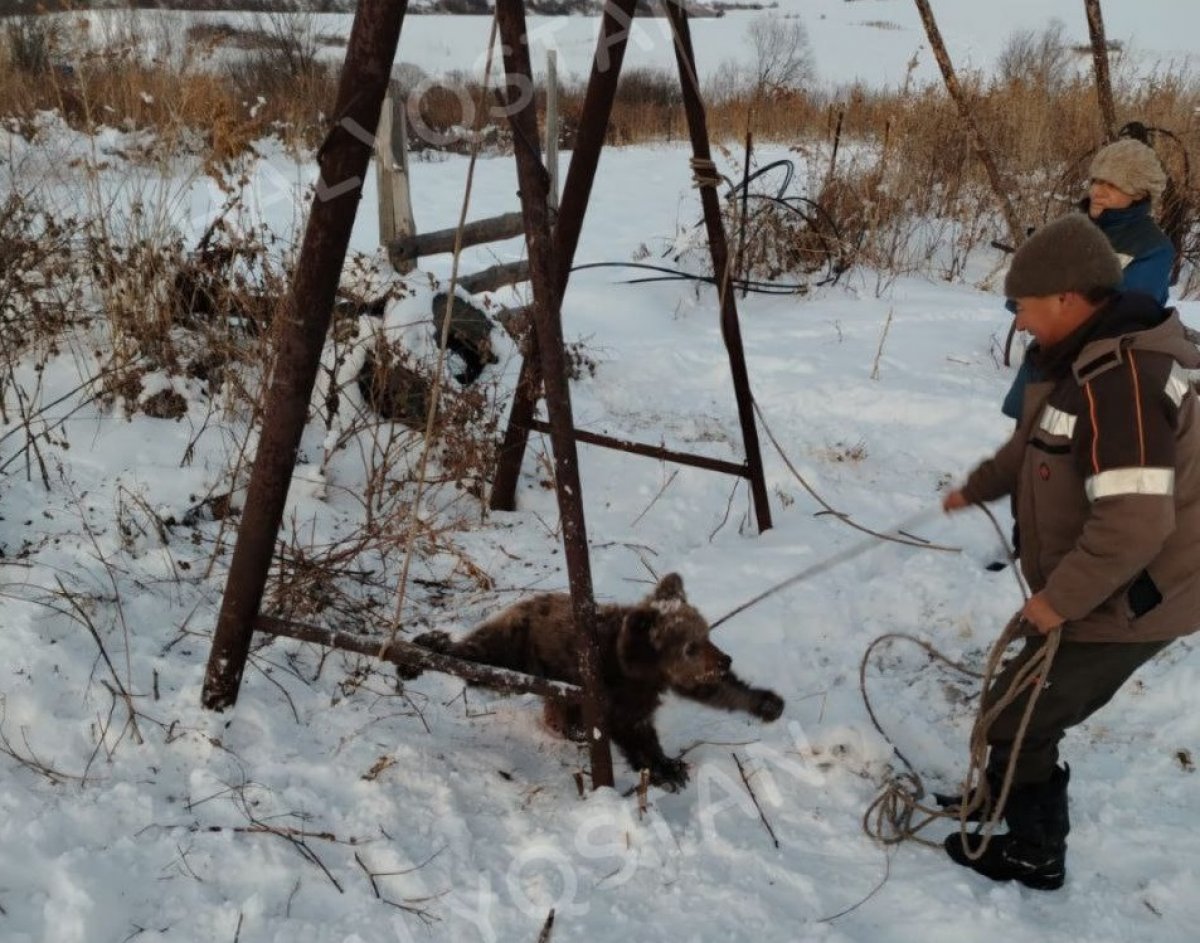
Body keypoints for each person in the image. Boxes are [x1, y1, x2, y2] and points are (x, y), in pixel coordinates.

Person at [940, 213, 1200, 890]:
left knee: (1020, 716)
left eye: (1024, 306)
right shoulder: (1081, 357)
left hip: (1135, 595)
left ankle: (1036, 851)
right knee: (1015, 700)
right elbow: (1035, 442)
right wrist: (980, 486)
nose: (1020, 321)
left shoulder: (1123, 382)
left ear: (1065, 297)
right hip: (1101, 580)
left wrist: (1058, 601)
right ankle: (1000, 800)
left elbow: (1134, 525)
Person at [1001, 138, 1174, 422]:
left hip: (1095, 380)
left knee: (1070, 446)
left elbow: (1121, 320)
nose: (1097, 191)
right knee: (1029, 443)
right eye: (1096, 180)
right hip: (1046, 367)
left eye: (1112, 185)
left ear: (1139, 192)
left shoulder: (1152, 247)